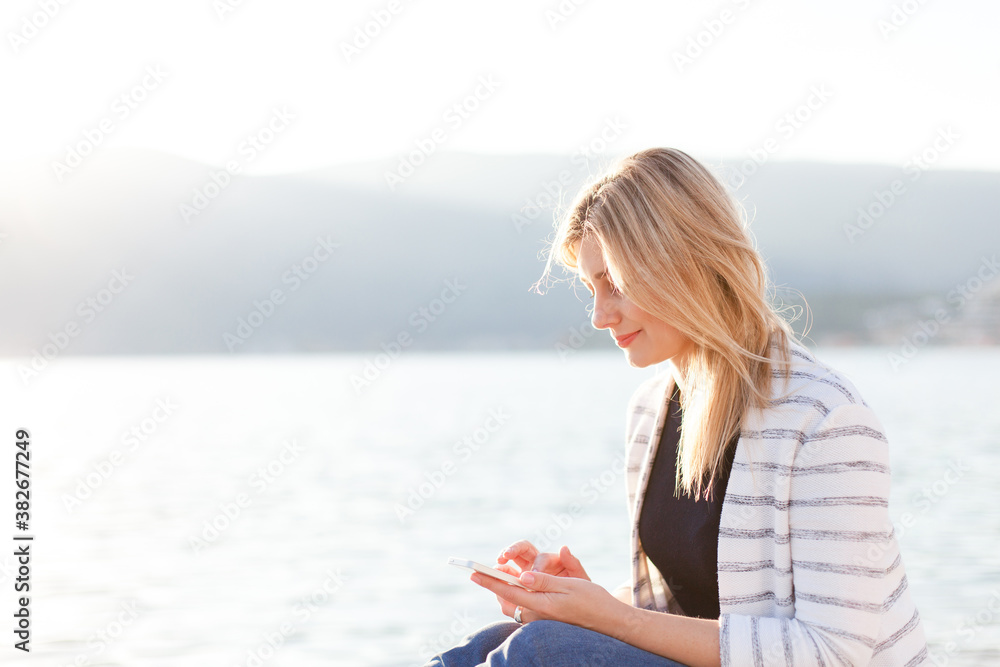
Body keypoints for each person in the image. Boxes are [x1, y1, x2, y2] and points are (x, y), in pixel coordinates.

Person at [423, 148, 929, 666]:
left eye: (614, 284)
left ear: (686, 265)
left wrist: (608, 620)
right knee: (479, 648)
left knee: (539, 651)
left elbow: (834, 653)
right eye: (590, 287)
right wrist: (580, 602)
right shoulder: (651, 410)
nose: (598, 316)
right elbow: (682, 613)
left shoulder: (825, 421)